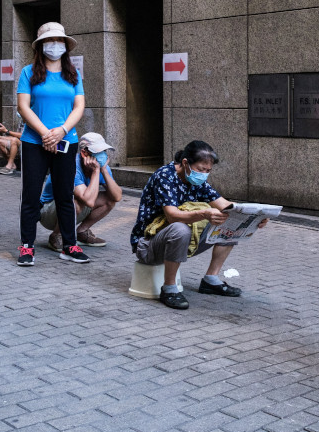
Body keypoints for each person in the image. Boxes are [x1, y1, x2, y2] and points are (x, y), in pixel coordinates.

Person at [130, 140, 269, 310]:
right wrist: (204, 213)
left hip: (179, 242)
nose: (204, 174)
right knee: (180, 228)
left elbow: (226, 206)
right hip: (148, 244)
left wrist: (255, 217)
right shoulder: (165, 176)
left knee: (231, 223)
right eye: (201, 169)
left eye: (208, 171)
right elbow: (173, 216)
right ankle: (169, 289)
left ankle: (211, 279)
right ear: (185, 162)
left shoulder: (197, 182)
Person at [16, 22, 86, 266]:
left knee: (65, 195)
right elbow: (23, 106)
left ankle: (70, 245)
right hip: (34, 141)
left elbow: (79, 106)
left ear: (65, 46)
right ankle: (27, 247)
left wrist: (63, 131)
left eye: (59, 41)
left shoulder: (73, 74)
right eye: (49, 41)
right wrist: (46, 134)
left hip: (67, 141)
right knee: (31, 195)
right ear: (40, 45)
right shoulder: (28, 72)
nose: (54, 45)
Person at [39, 132, 123, 250]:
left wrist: (103, 171)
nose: (103, 155)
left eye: (104, 151)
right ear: (84, 153)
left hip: (73, 208)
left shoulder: (101, 166)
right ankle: (57, 235)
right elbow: (88, 200)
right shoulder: (71, 165)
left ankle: (82, 232)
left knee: (109, 199)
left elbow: (117, 196)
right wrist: (96, 172)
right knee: (76, 202)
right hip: (49, 212)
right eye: (98, 152)